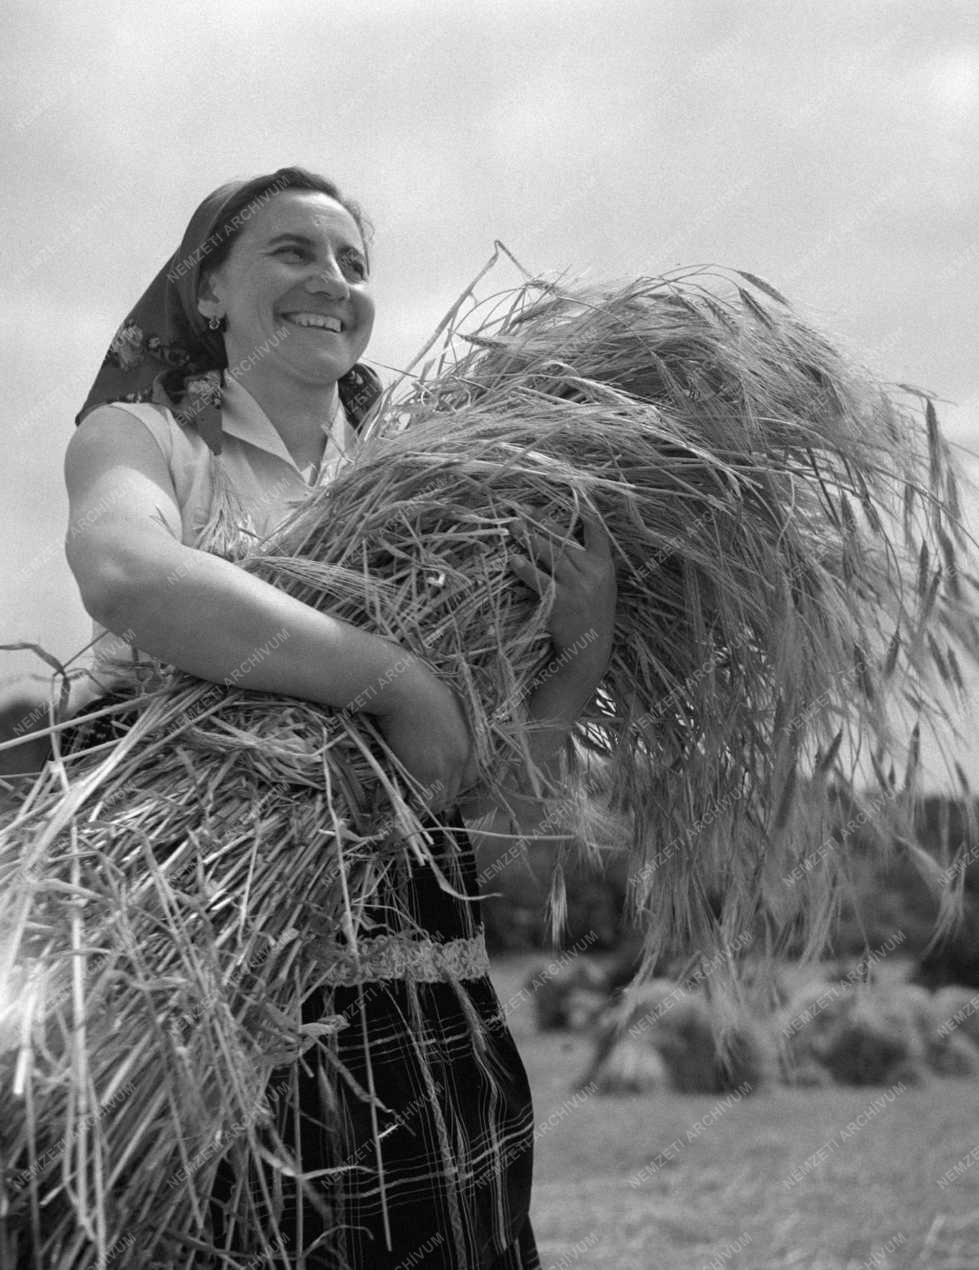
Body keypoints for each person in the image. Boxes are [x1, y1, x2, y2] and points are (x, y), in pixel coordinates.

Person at [52, 166, 615, 1268]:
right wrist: (394, 680)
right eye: (292, 252)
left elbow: (486, 820)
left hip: (431, 1042)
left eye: (354, 262)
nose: (333, 280)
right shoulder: (150, 440)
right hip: (213, 1023)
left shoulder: (430, 492)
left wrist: (579, 647)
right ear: (205, 290)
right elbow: (125, 570)